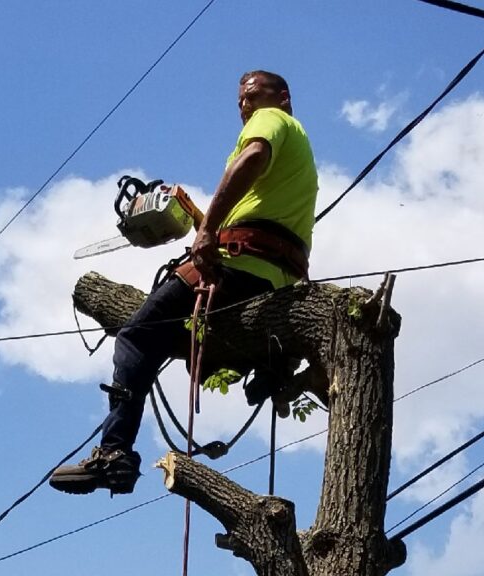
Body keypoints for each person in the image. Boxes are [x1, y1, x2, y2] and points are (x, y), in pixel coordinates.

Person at [49, 70, 319, 496]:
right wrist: (197, 217)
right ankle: (269, 369)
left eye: (251, 96)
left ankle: (114, 451)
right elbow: (257, 214)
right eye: (240, 102)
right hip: (273, 279)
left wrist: (208, 230)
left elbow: (250, 159)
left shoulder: (273, 121)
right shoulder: (298, 155)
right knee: (165, 340)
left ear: (282, 97)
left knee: (136, 338)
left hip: (235, 269)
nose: (244, 106)